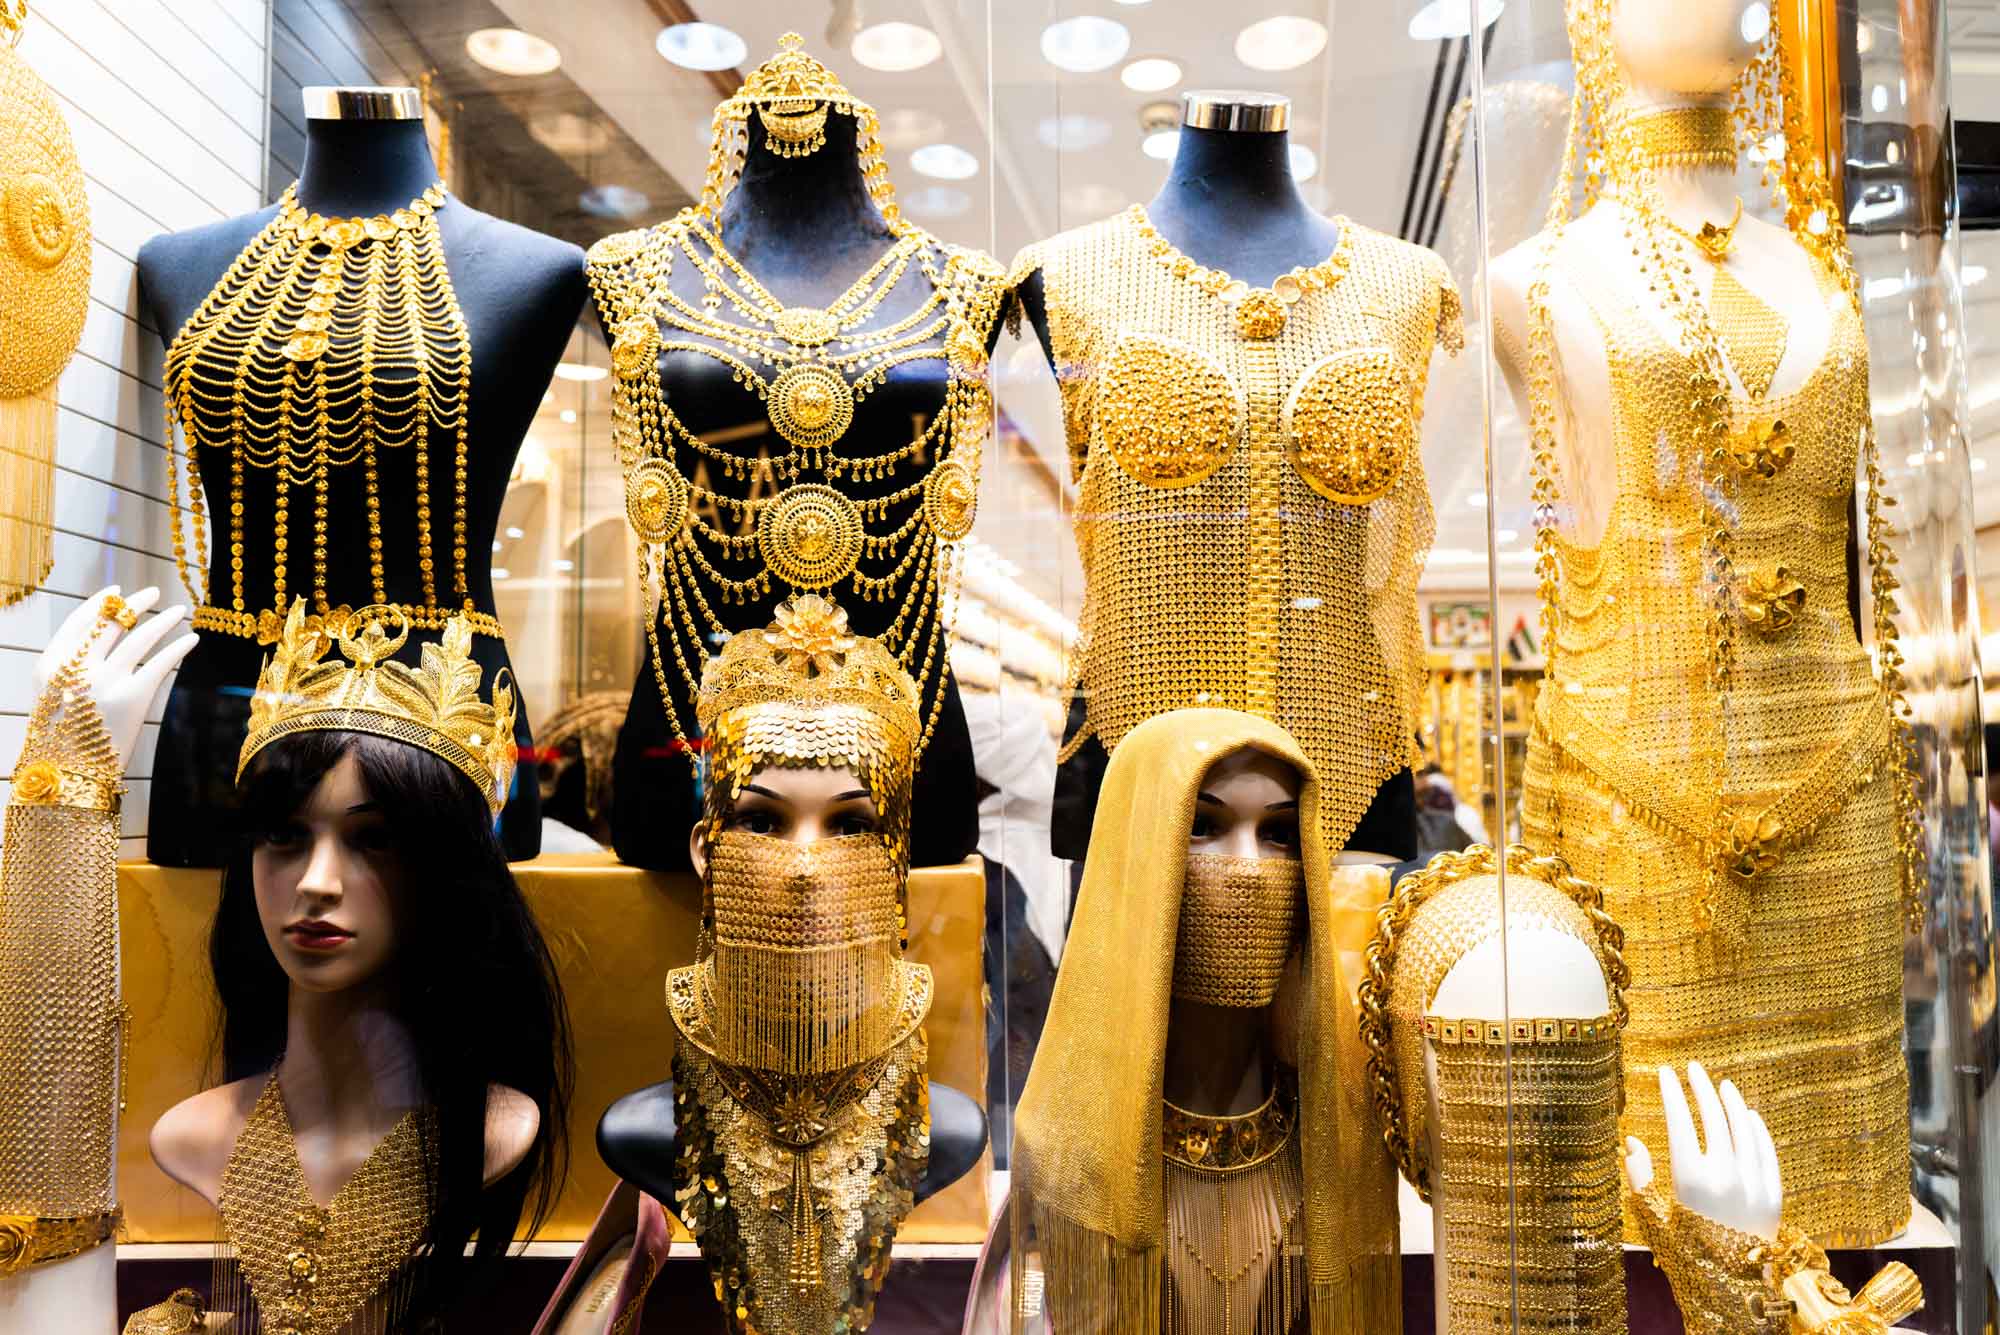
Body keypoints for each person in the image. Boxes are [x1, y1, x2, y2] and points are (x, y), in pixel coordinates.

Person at [129, 601, 573, 1335]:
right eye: (285, 835)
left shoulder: (493, 1127)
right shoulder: (194, 1135)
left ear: (445, 871)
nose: (317, 882)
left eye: (373, 840)